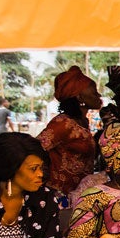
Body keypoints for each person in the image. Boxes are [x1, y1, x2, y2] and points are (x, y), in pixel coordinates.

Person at [38, 67, 103, 200]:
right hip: (60, 196)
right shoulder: (63, 123)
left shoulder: (83, 122)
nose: (99, 95)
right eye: (94, 92)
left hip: (79, 193)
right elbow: (36, 147)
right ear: (79, 97)